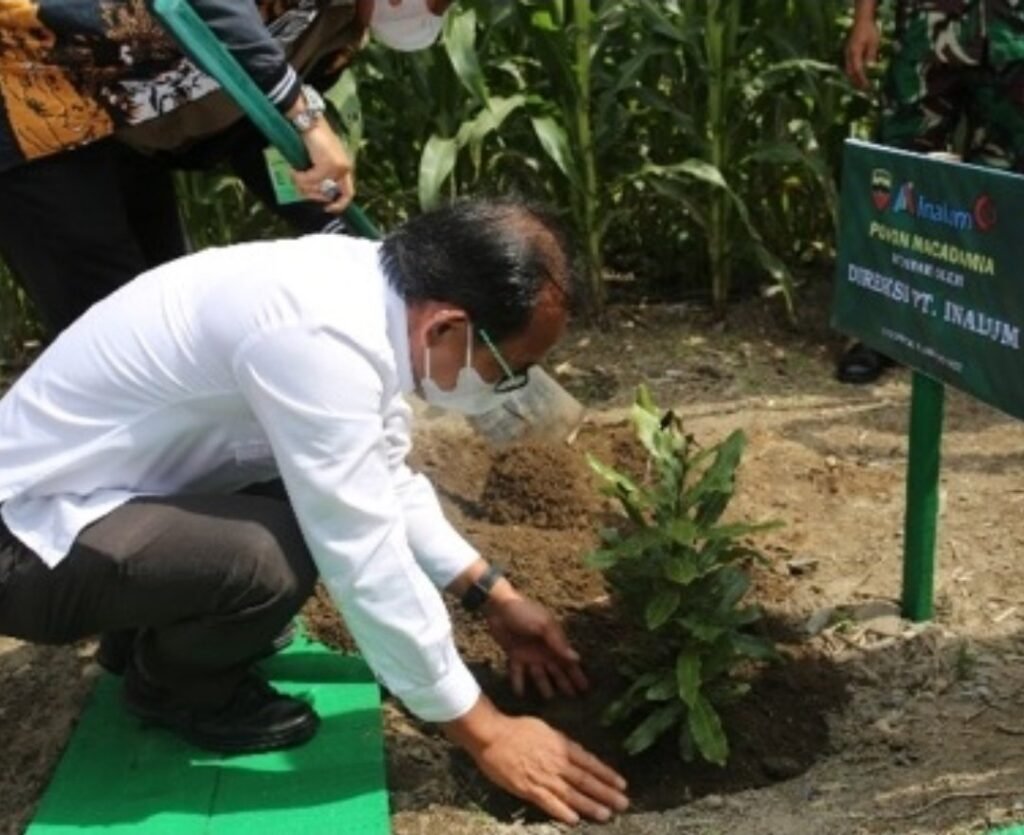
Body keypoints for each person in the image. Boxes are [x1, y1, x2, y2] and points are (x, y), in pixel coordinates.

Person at [0, 197, 630, 826]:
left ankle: (146, 633)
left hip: (104, 501)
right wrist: (486, 732)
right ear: (446, 327)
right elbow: (363, 551)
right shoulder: (318, 338)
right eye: (509, 369)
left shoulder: (368, 293)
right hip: (26, 540)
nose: (503, 388)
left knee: (293, 505)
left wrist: (492, 595)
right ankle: (171, 689)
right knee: (274, 559)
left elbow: (383, 472)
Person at [0, 0, 450, 336]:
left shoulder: (335, 31)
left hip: (128, 127)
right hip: (32, 97)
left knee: (161, 306)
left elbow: (254, 133)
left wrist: (338, 230)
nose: (425, 12)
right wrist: (306, 118)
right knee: (112, 324)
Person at [837, 0, 1024, 384]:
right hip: (930, 27)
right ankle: (881, 330)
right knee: (901, 169)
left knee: (1005, 181)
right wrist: (865, 17)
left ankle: (990, 335)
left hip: (1012, 32)